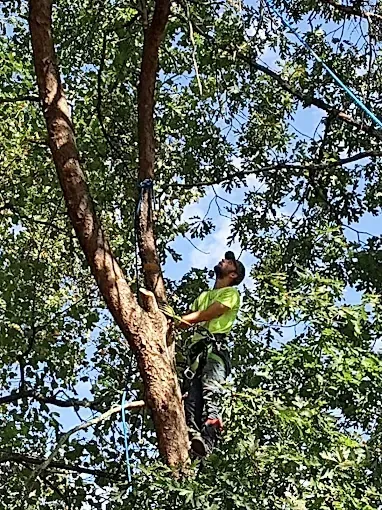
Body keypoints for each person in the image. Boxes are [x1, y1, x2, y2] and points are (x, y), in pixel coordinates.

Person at [179, 251, 245, 457]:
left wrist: (181, 321)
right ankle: (193, 436)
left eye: (229, 261)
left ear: (233, 274)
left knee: (211, 391)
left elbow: (210, 313)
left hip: (215, 351)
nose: (223, 260)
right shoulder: (203, 296)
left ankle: (209, 436)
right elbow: (194, 316)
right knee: (191, 398)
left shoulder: (231, 294)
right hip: (196, 354)